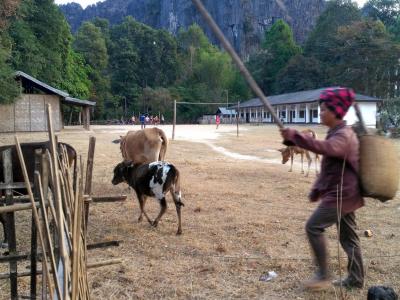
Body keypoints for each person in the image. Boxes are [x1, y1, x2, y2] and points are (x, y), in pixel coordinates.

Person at [280, 87, 364, 291]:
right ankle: (356, 279)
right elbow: (329, 169)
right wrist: (317, 189)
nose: (320, 112)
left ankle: (323, 275)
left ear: (336, 111)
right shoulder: (336, 132)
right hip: (346, 194)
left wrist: (297, 137)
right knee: (348, 237)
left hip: (342, 196)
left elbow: (327, 149)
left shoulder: (343, 135)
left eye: (324, 109)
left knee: (313, 227)